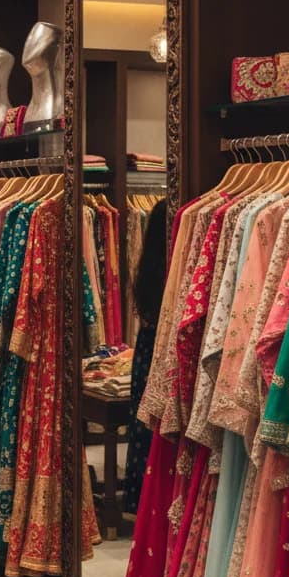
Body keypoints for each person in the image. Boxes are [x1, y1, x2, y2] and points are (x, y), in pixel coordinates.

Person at [122, 198, 167, 514]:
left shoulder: (150, 270)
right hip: (158, 349)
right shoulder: (170, 268)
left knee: (143, 420)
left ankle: (139, 498)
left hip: (146, 348)